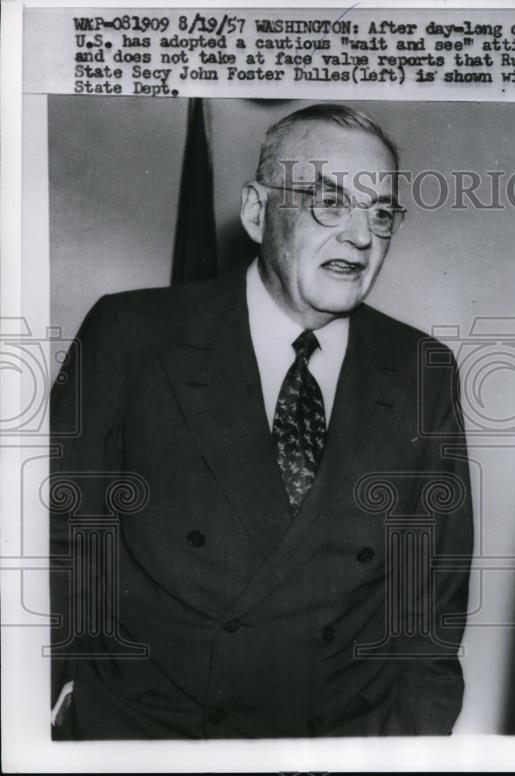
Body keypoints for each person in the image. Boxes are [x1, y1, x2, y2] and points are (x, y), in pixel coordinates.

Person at [48, 103, 473, 739]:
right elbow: (54, 543)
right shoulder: (133, 336)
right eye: (329, 201)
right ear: (256, 211)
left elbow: (432, 605)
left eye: (381, 212)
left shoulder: (421, 370)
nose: (361, 235)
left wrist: (412, 740)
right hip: (154, 738)